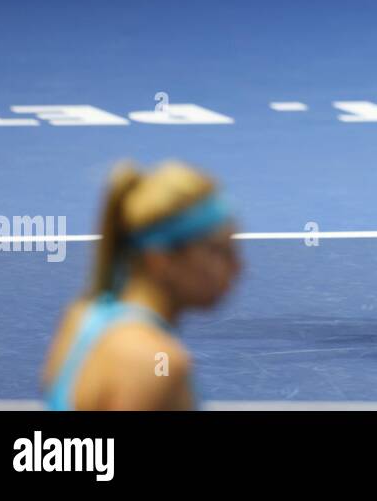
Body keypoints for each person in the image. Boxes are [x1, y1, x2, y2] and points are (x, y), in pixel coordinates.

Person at [43, 160, 239, 409]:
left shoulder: (81, 318)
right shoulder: (152, 362)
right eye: (219, 251)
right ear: (162, 259)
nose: (237, 266)